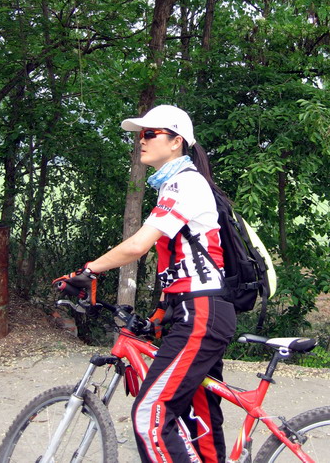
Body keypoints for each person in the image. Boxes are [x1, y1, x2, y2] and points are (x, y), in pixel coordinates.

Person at [55, 105, 236, 463]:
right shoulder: (175, 184)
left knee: (149, 414)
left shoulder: (185, 183)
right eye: (140, 134)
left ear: (176, 141)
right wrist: (162, 312)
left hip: (201, 312)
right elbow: (182, 264)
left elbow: (138, 245)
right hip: (196, 310)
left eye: (150, 133)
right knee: (196, 418)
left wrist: (89, 270)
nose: (141, 140)